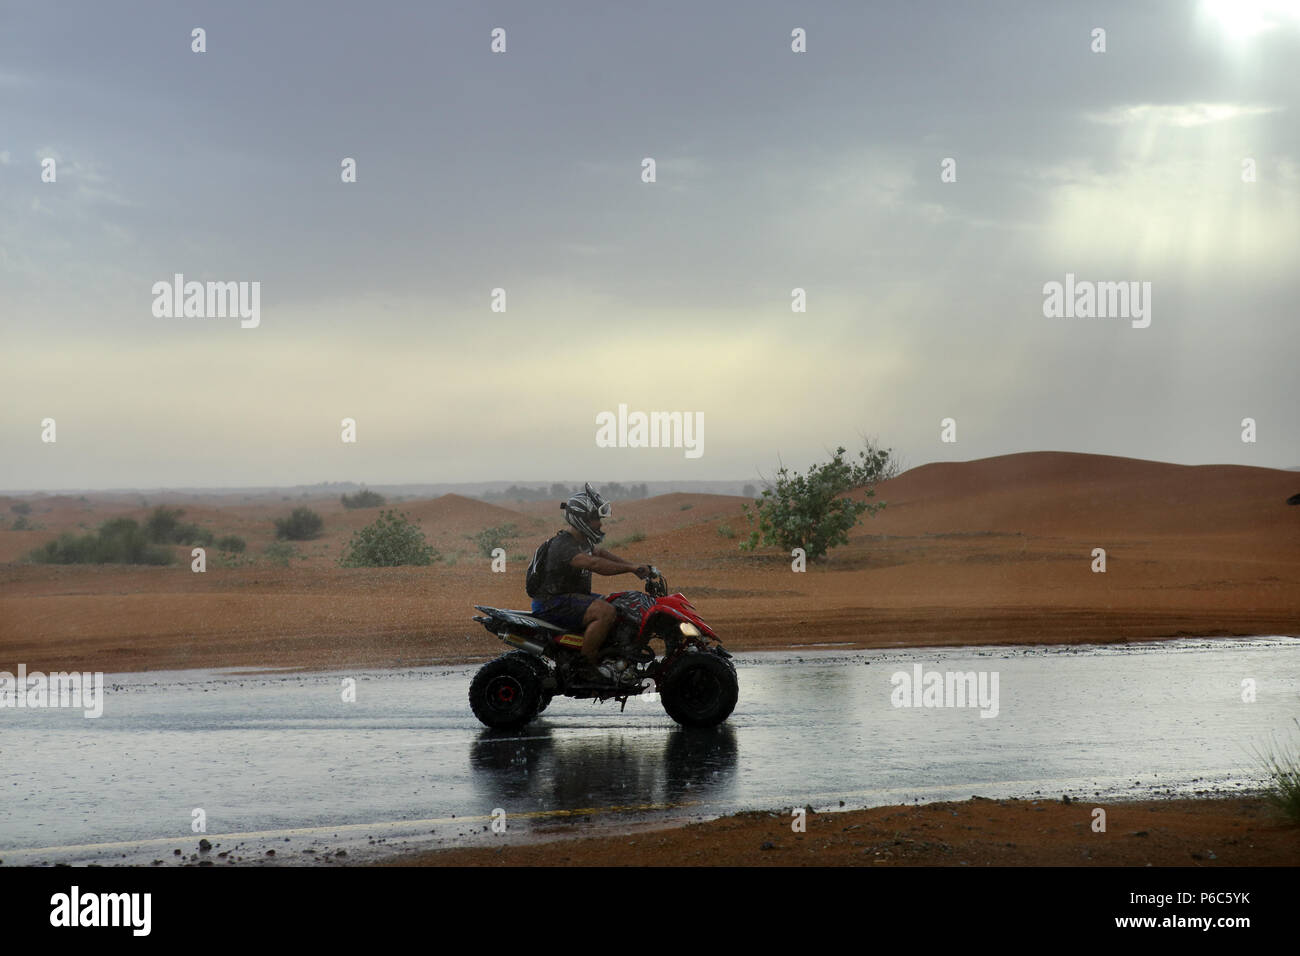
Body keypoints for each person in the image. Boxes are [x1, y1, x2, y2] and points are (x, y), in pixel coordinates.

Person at [530, 483, 649, 682]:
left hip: (570, 599)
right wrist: (630, 569)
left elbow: (600, 553)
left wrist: (634, 566)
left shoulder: (582, 542)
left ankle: (612, 659)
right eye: (595, 519)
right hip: (552, 602)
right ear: (582, 519)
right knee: (605, 611)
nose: (600, 524)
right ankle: (586, 668)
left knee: (620, 605)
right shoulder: (563, 545)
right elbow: (594, 563)